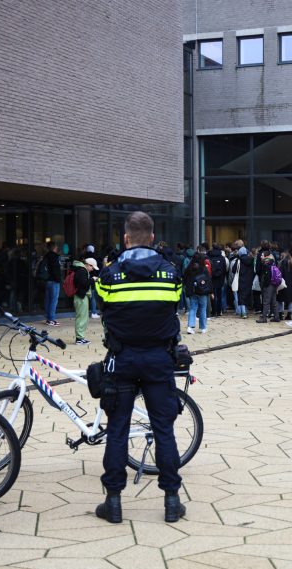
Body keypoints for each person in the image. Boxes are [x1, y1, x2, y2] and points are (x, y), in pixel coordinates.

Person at [93, 211, 186, 523]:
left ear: (126, 237)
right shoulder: (171, 273)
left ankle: (114, 502)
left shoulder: (109, 274)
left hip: (122, 360)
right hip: (159, 360)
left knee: (117, 429)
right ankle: (172, 501)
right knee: (164, 430)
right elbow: (173, 308)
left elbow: (104, 310)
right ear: (153, 235)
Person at [70, 257, 95, 345]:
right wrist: (92, 280)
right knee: (81, 318)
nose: (92, 269)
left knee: (83, 317)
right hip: (81, 297)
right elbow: (83, 284)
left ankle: (81, 338)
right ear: (88, 265)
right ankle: (79, 339)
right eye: (92, 267)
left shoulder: (80, 270)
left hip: (81, 296)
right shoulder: (82, 271)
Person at [184, 253, 209, 334]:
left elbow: (185, 278)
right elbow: (208, 280)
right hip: (202, 291)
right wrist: (210, 291)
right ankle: (203, 327)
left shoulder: (189, 268)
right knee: (202, 308)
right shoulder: (203, 268)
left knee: (193, 308)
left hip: (192, 291)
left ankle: (190, 327)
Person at [256, 255, 281, 323]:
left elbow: (266, 278)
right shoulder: (273, 265)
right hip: (274, 285)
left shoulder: (267, 267)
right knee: (274, 302)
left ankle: (264, 318)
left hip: (268, 286)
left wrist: (264, 286)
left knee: (266, 302)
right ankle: (277, 317)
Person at [42, 242, 62, 326]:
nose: (57, 248)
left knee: (48, 300)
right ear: (54, 247)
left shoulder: (45, 256)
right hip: (54, 281)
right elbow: (56, 270)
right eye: (56, 246)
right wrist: (59, 279)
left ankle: (48, 318)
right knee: (54, 300)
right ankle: (51, 319)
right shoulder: (55, 257)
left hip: (47, 280)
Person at [207, 244, 227, 317]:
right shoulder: (222, 258)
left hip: (211, 278)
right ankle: (219, 311)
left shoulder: (209, 256)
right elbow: (224, 269)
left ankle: (214, 311)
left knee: (212, 295)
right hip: (220, 279)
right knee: (219, 295)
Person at [277, 250, 292, 321]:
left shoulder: (281, 263)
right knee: (290, 300)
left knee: (280, 299)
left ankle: (280, 314)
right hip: (291, 285)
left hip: (283, 284)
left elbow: (279, 274)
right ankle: (289, 314)